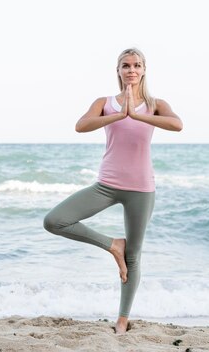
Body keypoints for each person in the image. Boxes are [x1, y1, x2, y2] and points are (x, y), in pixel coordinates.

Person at [43, 48, 183, 335]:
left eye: (136, 65)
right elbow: (81, 126)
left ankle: (122, 319)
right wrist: (119, 115)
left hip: (141, 189)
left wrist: (138, 115)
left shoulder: (156, 104)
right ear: (118, 70)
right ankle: (112, 245)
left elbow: (177, 125)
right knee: (54, 221)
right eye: (125, 65)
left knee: (134, 256)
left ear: (144, 69)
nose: (131, 69)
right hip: (106, 185)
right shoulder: (105, 103)